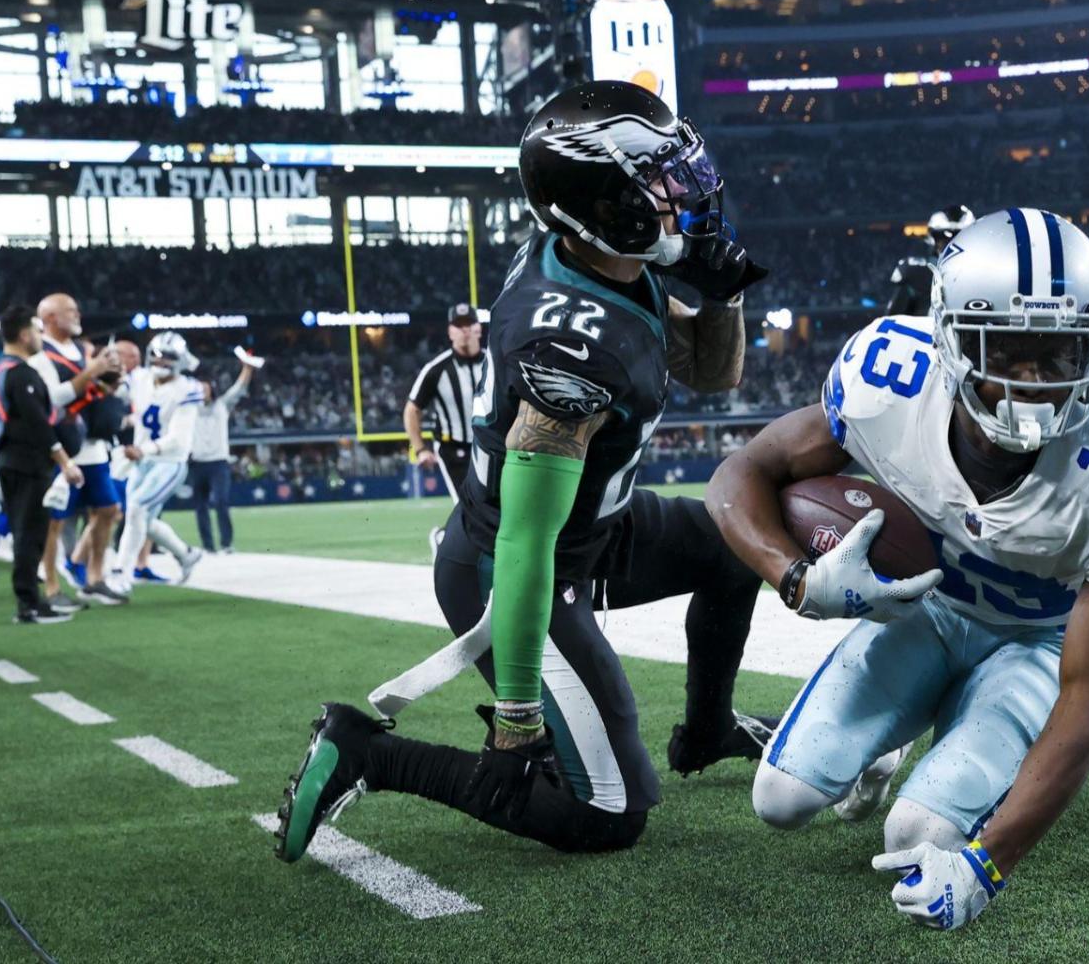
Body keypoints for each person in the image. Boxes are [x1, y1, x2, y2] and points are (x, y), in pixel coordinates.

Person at [275, 80, 776, 862]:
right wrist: (515, 718)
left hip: (593, 526)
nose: (683, 196)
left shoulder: (595, 257)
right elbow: (523, 543)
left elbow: (714, 372)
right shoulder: (567, 351)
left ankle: (707, 731)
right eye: (659, 184)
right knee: (608, 816)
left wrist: (721, 293)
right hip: (513, 568)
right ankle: (368, 752)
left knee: (732, 546)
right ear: (602, 205)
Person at [707, 207, 1089, 932]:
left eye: (1060, 354)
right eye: (1009, 349)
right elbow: (744, 471)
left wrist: (986, 866)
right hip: (927, 613)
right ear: (951, 340)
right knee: (779, 799)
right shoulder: (887, 383)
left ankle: (929, 749)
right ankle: (888, 741)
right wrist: (796, 578)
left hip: (1034, 647)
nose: (1034, 381)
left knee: (915, 839)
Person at [0, 305, 85, 624]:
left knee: (27, 533)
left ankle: (31, 600)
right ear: (25, 334)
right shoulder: (21, 373)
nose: (41, 337)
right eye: (37, 331)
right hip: (26, 463)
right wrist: (65, 461)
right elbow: (37, 424)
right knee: (30, 534)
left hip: (10, 461)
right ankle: (28, 604)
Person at [28, 294, 122, 604]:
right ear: (50, 317)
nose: (77, 314)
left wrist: (110, 376)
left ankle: (95, 578)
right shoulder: (41, 352)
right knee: (55, 519)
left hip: (93, 443)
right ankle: (52, 586)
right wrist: (91, 371)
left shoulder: (83, 350)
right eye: (70, 310)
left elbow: (95, 390)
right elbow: (53, 398)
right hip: (62, 447)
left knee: (108, 509)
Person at [107, 333, 206, 595]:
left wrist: (144, 448)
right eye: (158, 355)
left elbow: (178, 438)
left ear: (180, 360)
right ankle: (186, 554)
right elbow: (112, 391)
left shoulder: (187, 389)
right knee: (143, 519)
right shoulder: (139, 378)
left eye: (168, 357)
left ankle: (121, 572)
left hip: (169, 462)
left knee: (137, 509)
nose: (161, 362)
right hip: (142, 460)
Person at [406, 304, 487, 503]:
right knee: (468, 508)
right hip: (454, 450)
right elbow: (412, 410)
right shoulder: (436, 370)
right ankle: (446, 535)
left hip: (490, 446)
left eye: (469, 323)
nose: (465, 330)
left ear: (479, 328)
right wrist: (420, 449)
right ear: (450, 332)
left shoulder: (494, 363)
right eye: (458, 325)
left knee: (498, 507)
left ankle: (443, 536)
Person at [190, 347, 263, 553]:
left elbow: (239, 388)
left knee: (221, 502)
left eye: (205, 389)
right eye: (199, 390)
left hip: (218, 462)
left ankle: (226, 543)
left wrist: (247, 368)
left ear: (212, 390)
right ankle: (207, 546)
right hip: (197, 462)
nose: (203, 392)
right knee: (200, 507)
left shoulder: (222, 405)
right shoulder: (189, 408)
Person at [884, 205, 974, 317]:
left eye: (960, 238)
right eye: (946, 239)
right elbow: (893, 321)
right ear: (933, 239)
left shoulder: (982, 272)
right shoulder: (916, 272)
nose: (953, 247)